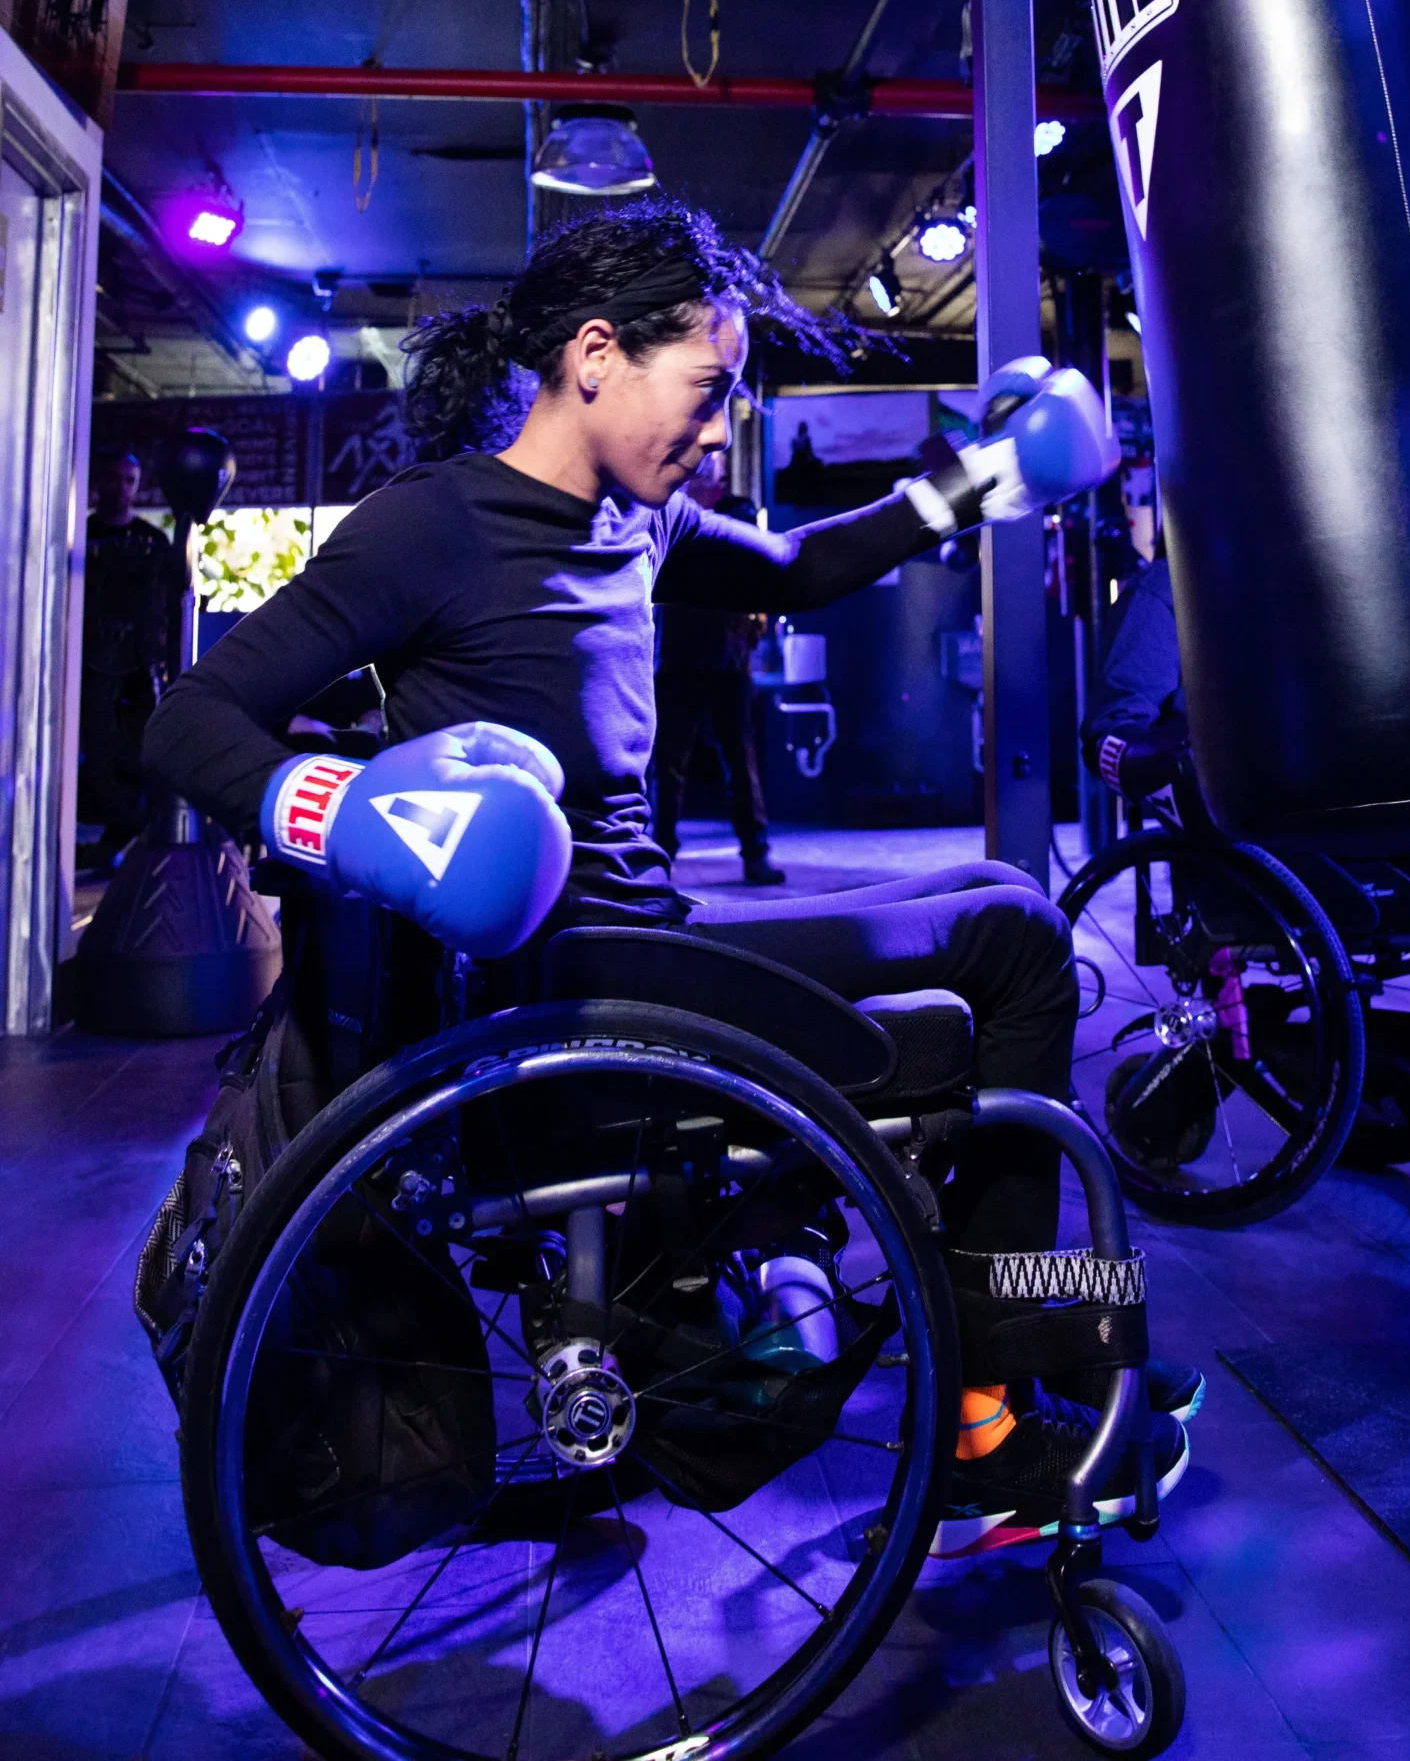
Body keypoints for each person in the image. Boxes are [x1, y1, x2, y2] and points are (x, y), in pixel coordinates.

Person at [143, 197, 1197, 1557]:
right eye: (704, 395)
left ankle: (1041, 1355)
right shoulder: (433, 529)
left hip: (657, 947)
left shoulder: (633, 524)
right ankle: (992, 1413)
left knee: (1001, 899)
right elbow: (189, 725)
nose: (716, 435)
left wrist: (980, 478)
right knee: (1017, 946)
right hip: (576, 995)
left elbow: (804, 566)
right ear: (594, 356)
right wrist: (351, 814)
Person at [1083, 549, 1410, 1138]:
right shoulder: (1171, 586)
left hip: (1392, 798)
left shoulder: (1362, 545)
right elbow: (1112, 732)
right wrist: (1183, 754)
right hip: (1269, 829)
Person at [652, 452, 782, 884]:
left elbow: (759, 587)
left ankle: (748, 851)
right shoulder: (672, 517)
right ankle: (666, 852)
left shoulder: (717, 528)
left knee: (722, 763)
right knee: (677, 764)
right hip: (688, 662)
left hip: (710, 662)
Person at [77, 449, 179, 868]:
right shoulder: (79, 537)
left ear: (137, 486)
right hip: (89, 662)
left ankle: (124, 833)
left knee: (140, 752)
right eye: (113, 479)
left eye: (128, 481)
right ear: (98, 481)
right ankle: (127, 827)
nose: (120, 489)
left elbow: (166, 606)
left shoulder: (153, 543)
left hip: (141, 664)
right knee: (96, 751)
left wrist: (163, 660)